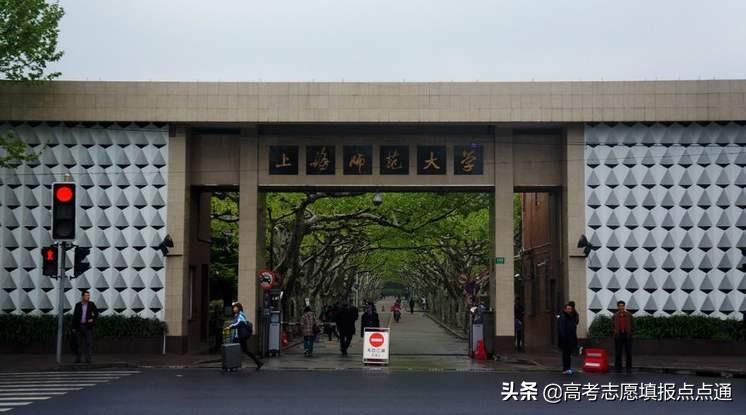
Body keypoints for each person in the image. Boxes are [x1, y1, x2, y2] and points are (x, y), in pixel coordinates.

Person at [229, 302, 263, 370]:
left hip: (239, 337)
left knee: (233, 349)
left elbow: (239, 323)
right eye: (233, 307)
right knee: (245, 350)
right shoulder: (237, 315)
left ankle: (232, 365)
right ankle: (258, 362)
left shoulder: (240, 315)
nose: (233, 308)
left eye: (235, 307)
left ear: (238, 308)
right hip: (238, 336)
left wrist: (231, 326)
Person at [72, 290, 99, 364]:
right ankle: (78, 359)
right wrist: (73, 327)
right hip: (79, 326)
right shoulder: (78, 305)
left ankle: (88, 359)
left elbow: (96, 313)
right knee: (78, 343)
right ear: (83, 296)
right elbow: (74, 316)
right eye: (86, 295)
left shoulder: (91, 304)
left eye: (89, 295)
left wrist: (92, 319)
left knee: (89, 343)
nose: (88, 297)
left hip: (88, 327)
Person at [612, 300, 633, 374]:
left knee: (628, 352)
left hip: (627, 335)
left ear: (624, 306)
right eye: (620, 306)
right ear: (618, 307)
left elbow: (632, 325)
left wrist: (630, 333)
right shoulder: (615, 315)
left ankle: (629, 368)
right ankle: (618, 368)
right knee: (618, 353)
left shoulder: (629, 315)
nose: (621, 307)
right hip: (618, 335)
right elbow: (613, 326)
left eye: (622, 306)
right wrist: (615, 332)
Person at [557, 303, 578, 375]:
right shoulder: (563, 317)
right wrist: (564, 338)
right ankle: (566, 369)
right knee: (565, 355)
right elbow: (562, 329)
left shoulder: (570, 316)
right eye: (568, 309)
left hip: (570, 339)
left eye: (570, 309)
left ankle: (568, 368)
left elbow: (574, 324)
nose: (569, 310)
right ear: (565, 309)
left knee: (568, 355)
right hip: (565, 340)